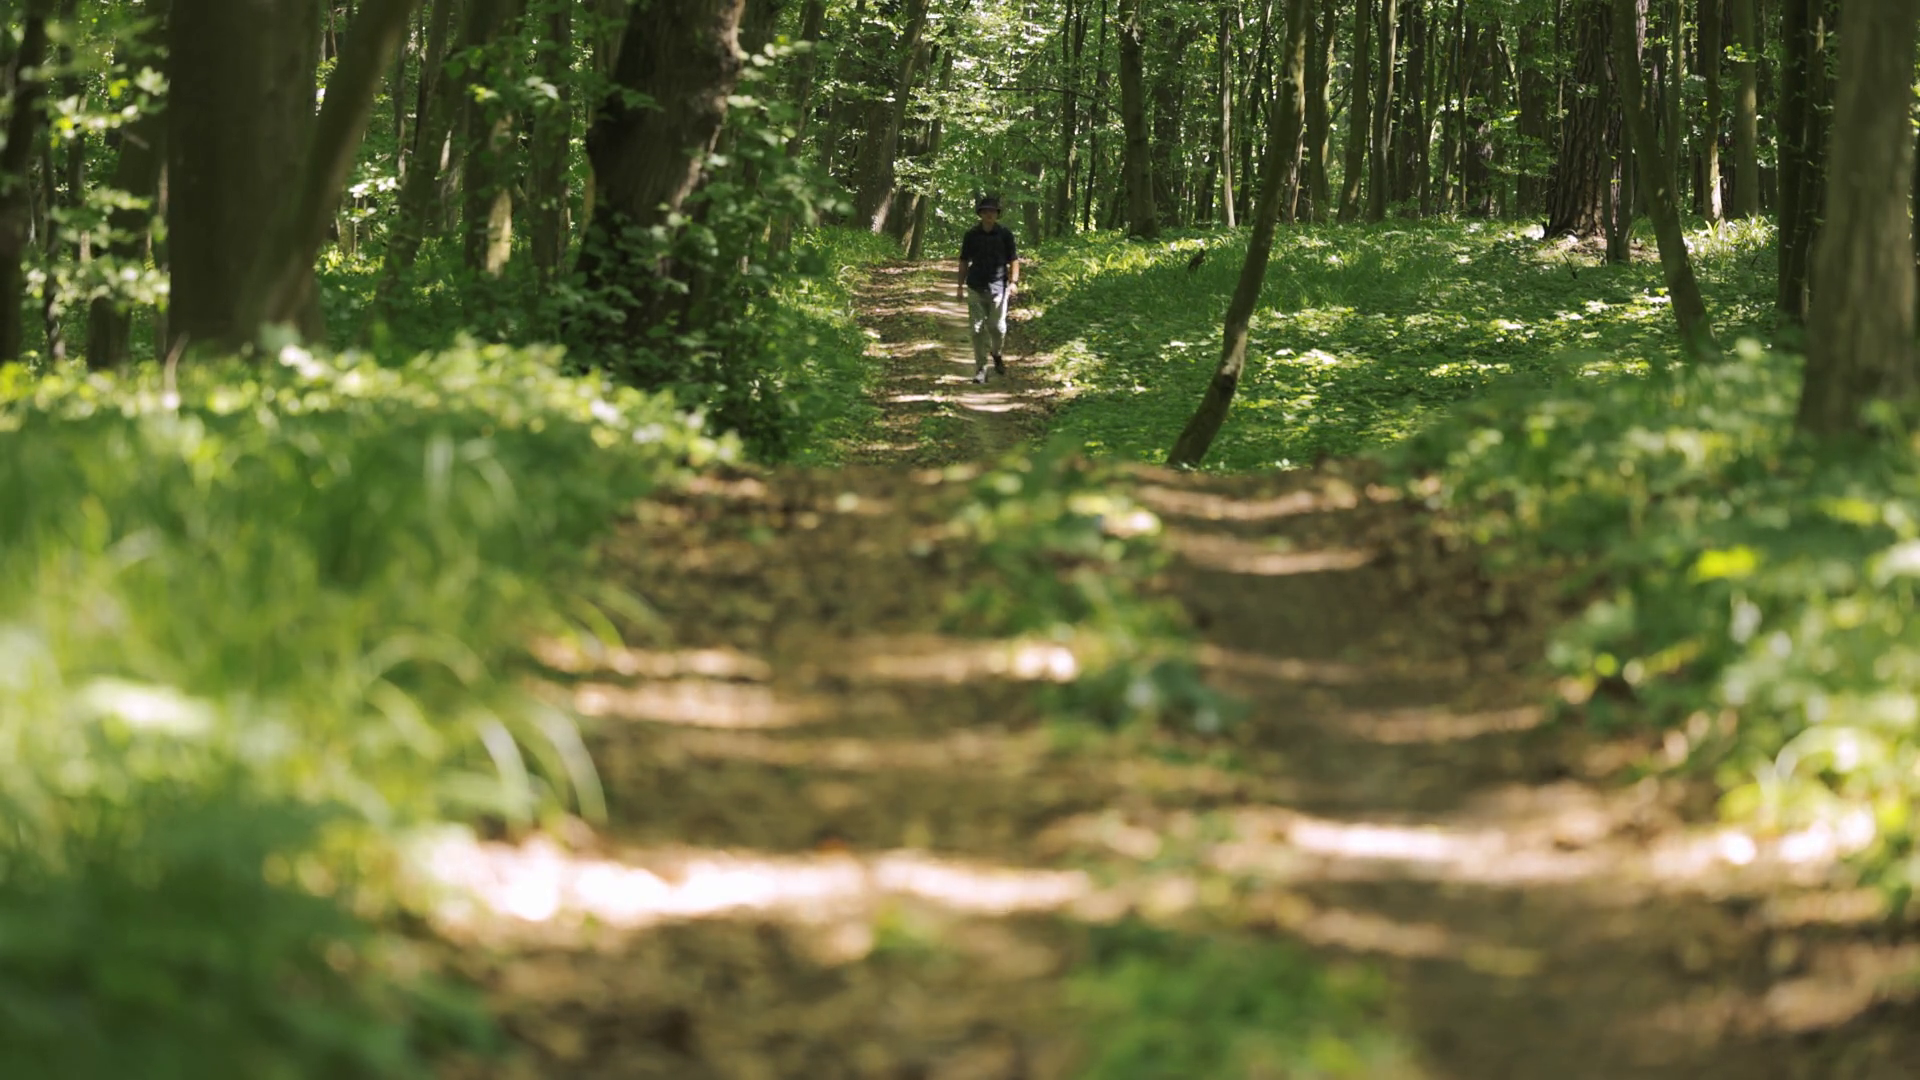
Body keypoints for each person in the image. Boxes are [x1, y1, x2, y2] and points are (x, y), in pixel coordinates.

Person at [956, 195, 1019, 384]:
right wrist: (959, 286)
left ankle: (996, 354)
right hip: (975, 286)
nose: (989, 214)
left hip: (999, 287)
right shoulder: (971, 235)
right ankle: (981, 368)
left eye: (992, 211)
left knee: (997, 328)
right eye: (986, 211)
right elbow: (964, 260)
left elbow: (1013, 260)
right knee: (976, 330)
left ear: (997, 214)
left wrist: (1013, 282)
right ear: (980, 214)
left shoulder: (1005, 235)